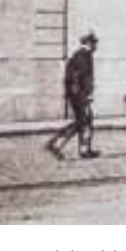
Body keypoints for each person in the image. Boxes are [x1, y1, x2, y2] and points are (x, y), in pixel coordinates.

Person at [45, 31, 100, 160]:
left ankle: (81, 149)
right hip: (80, 96)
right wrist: (84, 95)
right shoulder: (83, 56)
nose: (96, 46)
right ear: (88, 43)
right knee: (84, 121)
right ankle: (57, 144)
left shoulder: (82, 55)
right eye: (94, 43)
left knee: (83, 122)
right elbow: (77, 77)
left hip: (78, 95)